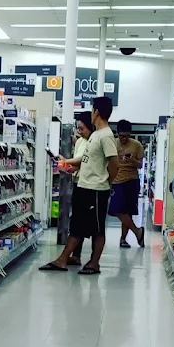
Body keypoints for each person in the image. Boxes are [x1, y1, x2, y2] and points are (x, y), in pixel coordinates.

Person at [40, 95, 118, 275]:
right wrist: (67, 164)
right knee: (77, 226)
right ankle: (63, 259)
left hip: (96, 189)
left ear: (96, 112)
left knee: (97, 229)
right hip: (84, 187)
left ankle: (94, 263)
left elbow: (114, 163)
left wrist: (108, 182)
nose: (91, 113)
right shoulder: (96, 135)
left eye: (92, 110)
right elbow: (86, 160)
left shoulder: (106, 136)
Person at [57, 114, 92, 265]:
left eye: (82, 128)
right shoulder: (80, 142)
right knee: (77, 220)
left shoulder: (93, 142)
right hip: (78, 182)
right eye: (78, 128)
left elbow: (84, 159)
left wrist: (66, 160)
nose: (79, 131)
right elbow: (78, 163)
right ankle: (76, 255)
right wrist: (68, 167)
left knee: (81, 222)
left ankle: (71, 256)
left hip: (88, 185)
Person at [111, 119, 146, 248]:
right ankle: (137, 231)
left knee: (127, 211)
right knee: (116, 209)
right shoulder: (112, 143)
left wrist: (132, 160)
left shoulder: (137, 145)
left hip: (132, 180)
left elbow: (140, 165)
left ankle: (123, 239)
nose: (124, 139)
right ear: (117, 133)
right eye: (121, 136)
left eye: (126, 136)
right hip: (116, 180)